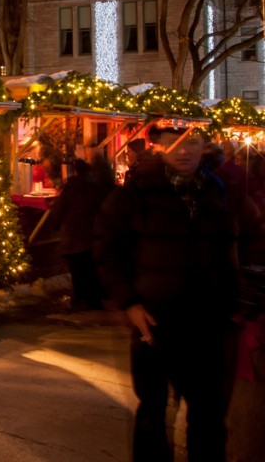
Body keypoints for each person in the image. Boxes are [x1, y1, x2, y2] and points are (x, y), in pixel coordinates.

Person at [94, 124, 240, 461]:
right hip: (154, 321)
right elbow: (106, 247)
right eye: (173, 142)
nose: (184, 150)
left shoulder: (220, 189)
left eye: (192, 141)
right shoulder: (135, 193)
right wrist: (128, 302)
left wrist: (235, 298)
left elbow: (247, 241)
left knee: (208, 415)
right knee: (153, 413)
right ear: (158, 146)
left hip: (208, 322)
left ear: (205, 145)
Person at [45, 155, 114, 310]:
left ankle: (82, 298)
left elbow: (59, 208)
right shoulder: (100, 187)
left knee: (78, 270)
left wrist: (54, 225)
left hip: (73, 237)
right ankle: (92, 299)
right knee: (89, 269)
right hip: (91, 238)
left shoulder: (72, 186)